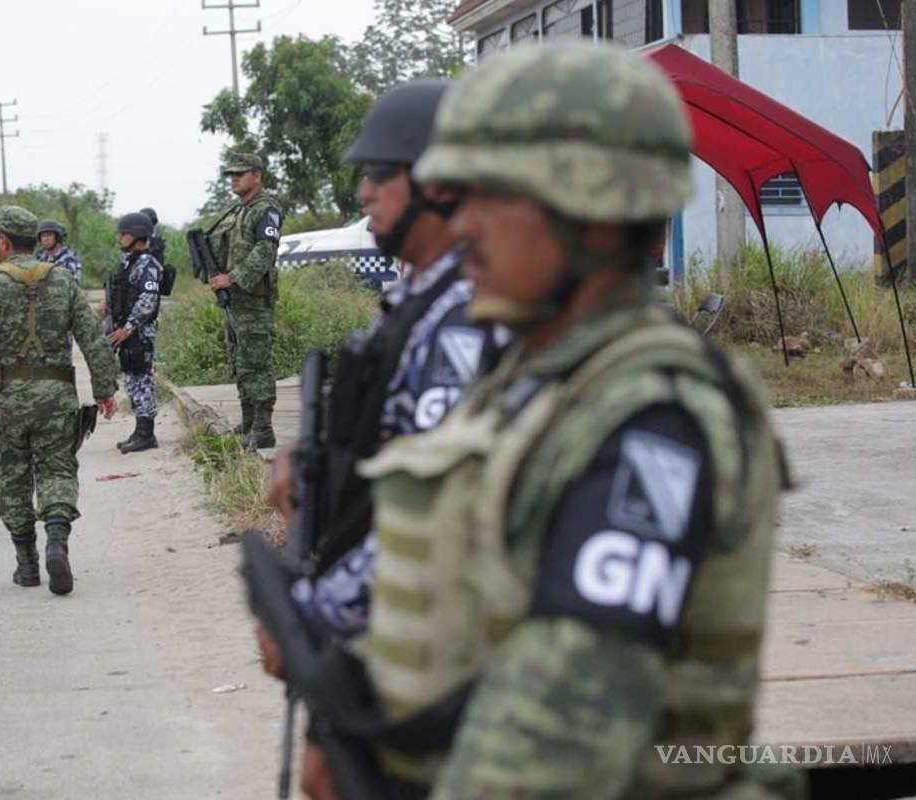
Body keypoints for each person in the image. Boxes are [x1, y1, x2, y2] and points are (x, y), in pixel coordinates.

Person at [300, 44, 799, 800]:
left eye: (489, 196)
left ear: (591, 216)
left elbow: (555, 746)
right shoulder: (536, 379)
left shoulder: (651, 415)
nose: (459, 225)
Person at [261, 79, 496, 654]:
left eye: (380, 173)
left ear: (437, 184)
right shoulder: (417, 296)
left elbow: (434, 515)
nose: (364, 193)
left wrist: (313, 618)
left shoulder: (468, 314)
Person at [0, 206, 118, 596]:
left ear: (4, 241)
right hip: (57, 398)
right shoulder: (63, 281)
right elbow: (93, 338)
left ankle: (26, 563)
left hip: (6, 404)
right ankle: (57, 541)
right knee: (58, 470)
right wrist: (105, 389)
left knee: (11, 478)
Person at [205, 153, 284, 448]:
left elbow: (265, 251)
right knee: (239, 360)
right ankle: (249, 421)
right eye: (231, 174)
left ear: (257, 175)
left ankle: (263, 428)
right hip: (233, 301)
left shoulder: (266, 209)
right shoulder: (236, 211)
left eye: (240, 173)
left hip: (253, 300)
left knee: (256, 362)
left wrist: (233, 277)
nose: (234, 178)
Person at [106, 212, 163, 453]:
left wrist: (127, 328)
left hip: (138, 333)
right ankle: (140, 430)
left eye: (125, 233)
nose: (121, 237)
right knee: (132, 381)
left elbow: (148, 300)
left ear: (138, 235)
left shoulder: (149, 264)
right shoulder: (129, 261)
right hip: (126, 331)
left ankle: (146, 434)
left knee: (142, 381)